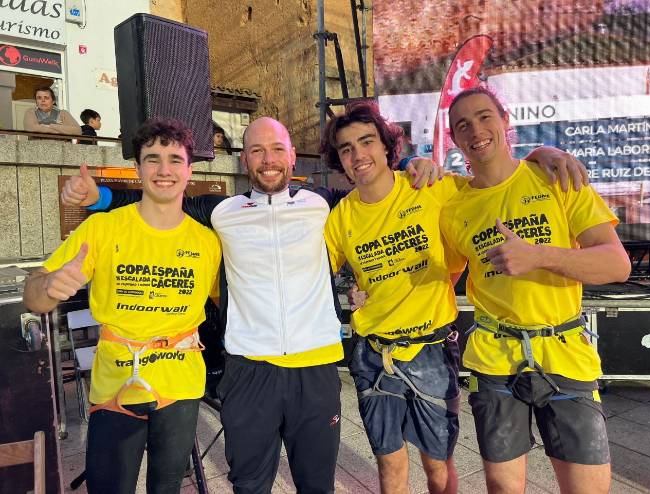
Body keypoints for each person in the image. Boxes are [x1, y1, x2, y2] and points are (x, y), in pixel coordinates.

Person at [59, 116, 440, 493]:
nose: (268, 159)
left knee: (316, 485)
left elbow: (374, 187)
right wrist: (100, 197)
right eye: (257, 151)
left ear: (292, 156)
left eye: (277, 149)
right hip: (248, 371)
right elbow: (161, 198)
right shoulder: (222, 211)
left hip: (315, 368)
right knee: (250, 485)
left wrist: (410, 163)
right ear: (244, 160)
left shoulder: (323, 203)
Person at [319, 100, 590, 494]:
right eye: (346, 148)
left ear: (386, 146)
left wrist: (540, 154)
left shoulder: (431, 187)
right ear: (339, 160)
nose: (358, 154)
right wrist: (350, 291)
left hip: (431, 348)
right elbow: (315, 273)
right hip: (374, 354)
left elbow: (494, 176)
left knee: (439, 468)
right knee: (389, 467)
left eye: (367, 141)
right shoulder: (340, 217)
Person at [439, 87, 631, 494]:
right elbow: (439, 276)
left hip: (565, 354)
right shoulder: (453, 207)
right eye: (463, 125)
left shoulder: (556, 177)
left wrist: (539, 255)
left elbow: (617, 264)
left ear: (505, 120)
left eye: (485, 117)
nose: (476, 130)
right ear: (454, 139)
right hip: (494, 362)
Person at [23, 118, 221, 494]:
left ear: (190, 170)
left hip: (180, 386)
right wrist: (49, 286)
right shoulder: (103, 229)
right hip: (116, 383)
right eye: (152, 159)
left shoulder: (208, 242)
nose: (164, 170)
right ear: (137, 168)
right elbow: (34, 297)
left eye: (175, 160)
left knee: (168, 488)